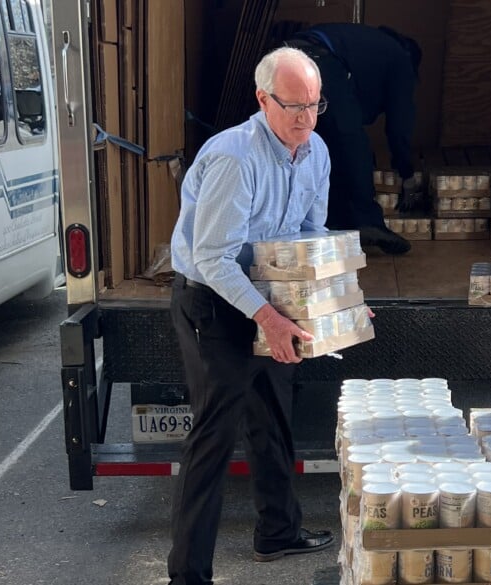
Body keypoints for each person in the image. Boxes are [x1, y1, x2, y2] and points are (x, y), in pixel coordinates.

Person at [166, 47, 334, 585]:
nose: (306, 118)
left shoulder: (316, 151)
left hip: (272, 298)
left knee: (273, 417)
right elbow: (213, 257)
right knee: (214, 437)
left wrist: (336, 296)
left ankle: (277, 532)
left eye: (314, 105)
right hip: (213, 303)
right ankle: (188, 574)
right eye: (293, 107)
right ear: (263, 100)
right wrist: (268, 318)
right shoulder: (235, 157)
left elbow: (311, 236)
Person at [287, 23, 423, 255]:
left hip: (285, 59)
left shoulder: (364, 45)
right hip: (318, 60)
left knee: (322, 147)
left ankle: (332, 222)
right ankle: (367, 222)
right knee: (353, 143)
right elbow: (400, 124)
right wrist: (407, 173)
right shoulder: (400, 58)